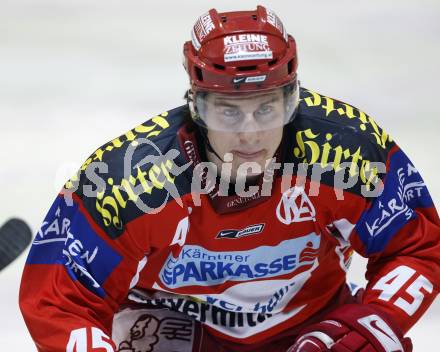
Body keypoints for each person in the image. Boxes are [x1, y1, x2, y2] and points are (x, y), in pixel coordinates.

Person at [19, 6, 439, 352]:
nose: (251, 133)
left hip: (310, 327)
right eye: (229, 110)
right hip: (171, 327)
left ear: (292, 100)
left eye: (267, 107)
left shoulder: (346, 151)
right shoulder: (128, 179)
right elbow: (59, 299)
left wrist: (375, 321)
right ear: (197, 105)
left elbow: (418, 247)